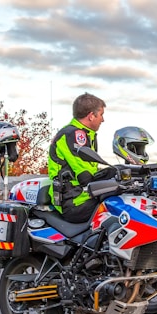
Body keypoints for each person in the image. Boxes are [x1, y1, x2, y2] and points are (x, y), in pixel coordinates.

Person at [48, 93, 106, 223]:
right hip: (74, 200)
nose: (103, 120)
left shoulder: (84, 134)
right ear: (91, 116)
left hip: (83, 196)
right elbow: (85, 176)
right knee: (113, 208)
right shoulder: (73, 135)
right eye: (101, 115)